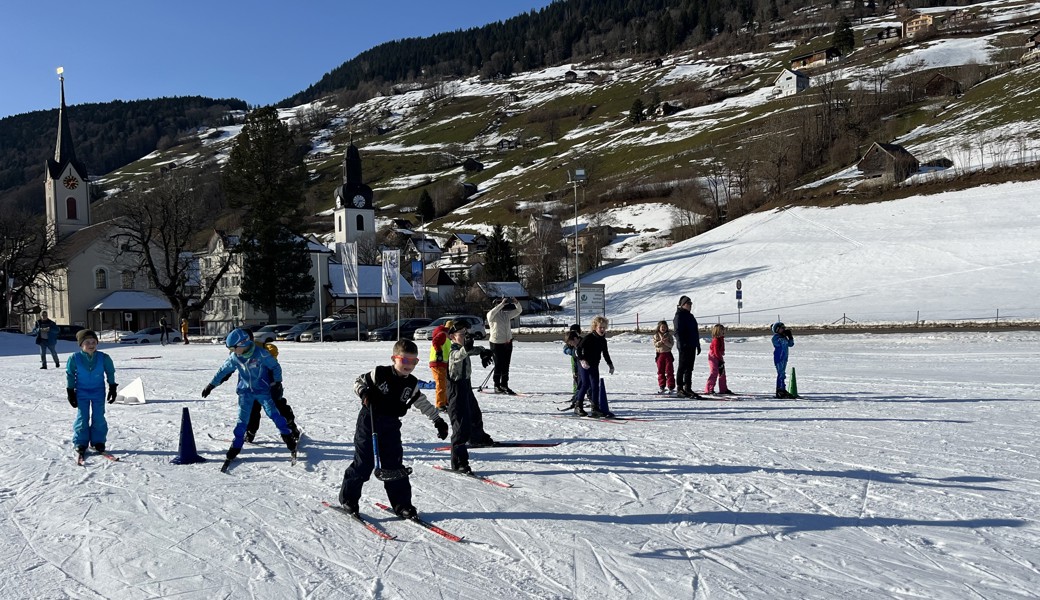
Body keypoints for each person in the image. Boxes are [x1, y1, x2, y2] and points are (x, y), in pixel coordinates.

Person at [338, 339, 449, 517]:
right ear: (394, 358)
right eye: (405, 360)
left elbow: (421, 402)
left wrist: (437, 420)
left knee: (394, 465)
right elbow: (358, 382)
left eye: (414, 361)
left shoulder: (411, 383)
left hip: (391, 425)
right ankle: (348, 499)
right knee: (364, 462)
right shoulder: (379, 373)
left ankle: (402, 505)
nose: (409, 365)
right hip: (370, 422)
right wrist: (364, 392)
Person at [201, 328, 296, 464]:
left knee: (275, 415)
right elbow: (223, 371)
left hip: (263, 391)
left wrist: (277, 383)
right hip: (245, 393)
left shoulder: (261, 354)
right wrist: (211, 385)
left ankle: (288, 437)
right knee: (242, 421)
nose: (232, 351)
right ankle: (236, 446)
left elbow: (275, 367)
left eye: (234, 348)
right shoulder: (235, 357)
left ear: (243, 344)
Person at [446, 322, 495, 473]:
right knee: (461, 427)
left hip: (466, 387)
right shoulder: (454, 351)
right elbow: (458, 356)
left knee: (474, 415)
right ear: (453, 337)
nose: (464, 337)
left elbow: (471, 350)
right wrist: (466, 349)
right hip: (456, 391)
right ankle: (459, 462)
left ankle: (477, 437)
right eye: (461, 335)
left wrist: (483, 352)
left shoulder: (463, 349)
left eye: (466, 334)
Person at [241, 330, 300, 442]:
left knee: (278, 406)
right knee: (253, 409)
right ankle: (250, 432)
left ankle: (291, 429)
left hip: (270, 385)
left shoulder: (264, 349)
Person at [66, 329, 117, 459]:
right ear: (81, 344)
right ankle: (81, 442)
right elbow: (70, 375)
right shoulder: (74, 358)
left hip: (98, 391)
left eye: (93, 342)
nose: (91, 344)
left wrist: (112, 387)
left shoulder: (103, 357)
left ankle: (98, 441)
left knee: (98, 416)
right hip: (81, 392)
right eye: (87, 342)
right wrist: (70, 391)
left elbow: (110, 372)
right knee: (82, 417)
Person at [575, 315, 615, 418]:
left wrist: (610, 364)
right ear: (595, 327)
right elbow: (578, 350)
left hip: (594, 364)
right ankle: (578, 406)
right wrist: (582, 360)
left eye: (604, 327)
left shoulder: (603, 340)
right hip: (584, 364)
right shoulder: (588, 338)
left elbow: (605, 353)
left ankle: (595, 407)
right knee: (585, 384)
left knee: (595, 385)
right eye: (600, 327)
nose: (602, 329)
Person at [486, 297, 522, 394]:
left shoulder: (506, 315)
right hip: (496, 343)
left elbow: (519, 310)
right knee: (498, 365)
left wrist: (516, 302)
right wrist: (501, 304)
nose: (502, 305)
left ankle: (504, 384)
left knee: (506, 365)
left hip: (507, 343)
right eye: (499, 304)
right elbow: (492, 312)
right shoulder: (491, 315)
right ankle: (496, 385)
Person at [672, 295, 702, 399]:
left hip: (692, 345)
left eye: (691, 304)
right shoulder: (679, 316)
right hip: (684, 346)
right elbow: (677, 332)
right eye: (688, 304)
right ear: (682, 305)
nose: (690, 306)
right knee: (682, 367)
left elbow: (695, 332)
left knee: (689, 368)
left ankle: (688, 387)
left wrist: (697, 344)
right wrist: (681, 344)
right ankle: (680, 388)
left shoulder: (691, 316)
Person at [428, 319, 454, 411]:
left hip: (443, 363)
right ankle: (440, 404)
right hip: (437, 362)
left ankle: (445, 401)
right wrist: (439, 352)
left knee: (445, 383)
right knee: (441, 383)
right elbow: (435, 342)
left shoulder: (445, 335)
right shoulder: (443, 334)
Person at [705, 324, 734, 395]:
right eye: (722, 330)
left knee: (722, 373)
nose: (723, 332)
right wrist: (720, 359)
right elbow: (716, 351)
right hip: (713, 357)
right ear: (717, 331)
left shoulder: (721, 338)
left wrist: (722, 354)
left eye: (723, 330)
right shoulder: (716, 340)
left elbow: (721, 349)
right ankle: (709, 389)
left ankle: (723, 389)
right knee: (714, 372)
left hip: (719, 357)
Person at [771, 322, 795, 399]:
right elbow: (777, 344)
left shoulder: (784, 337)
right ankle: (780, 390)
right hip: (779, 358)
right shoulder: (776, 337)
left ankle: (782, 389)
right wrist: (782, 336)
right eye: (782, 328)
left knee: (783, 374)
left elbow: (790, 344)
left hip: (784, 358)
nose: (784, 329)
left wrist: (790, 337)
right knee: (781, 374)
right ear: (777, 329)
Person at [652, 320, 675, 394]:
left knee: (669, 371)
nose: (663, 328)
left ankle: (671, 386)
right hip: (660, 355)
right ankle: (662, 386)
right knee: (660, 371)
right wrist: (661, 342)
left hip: (668, 354)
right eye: (662, 327)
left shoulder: (669, 336)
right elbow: (655, 345)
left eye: (665, 327)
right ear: (659, 327)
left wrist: (666, 342)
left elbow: (671, 345)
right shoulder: (656, 336)